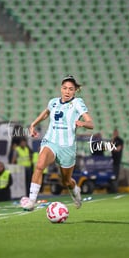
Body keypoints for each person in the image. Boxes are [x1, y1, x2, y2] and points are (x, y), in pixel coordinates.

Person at [23, 75, 94, 211]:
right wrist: (33, 124)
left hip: (67, 147)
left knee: (66, 181)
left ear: (75, 91)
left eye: (71, 89)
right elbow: (46, 113)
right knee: (39, 165)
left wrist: (83, 123)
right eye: (65, 88)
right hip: (51, 141)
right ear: (61, 89)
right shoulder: (53, 102)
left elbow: (91, 123)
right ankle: (32, 200)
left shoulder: (78, 103)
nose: (67, 91)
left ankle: (75, 191)